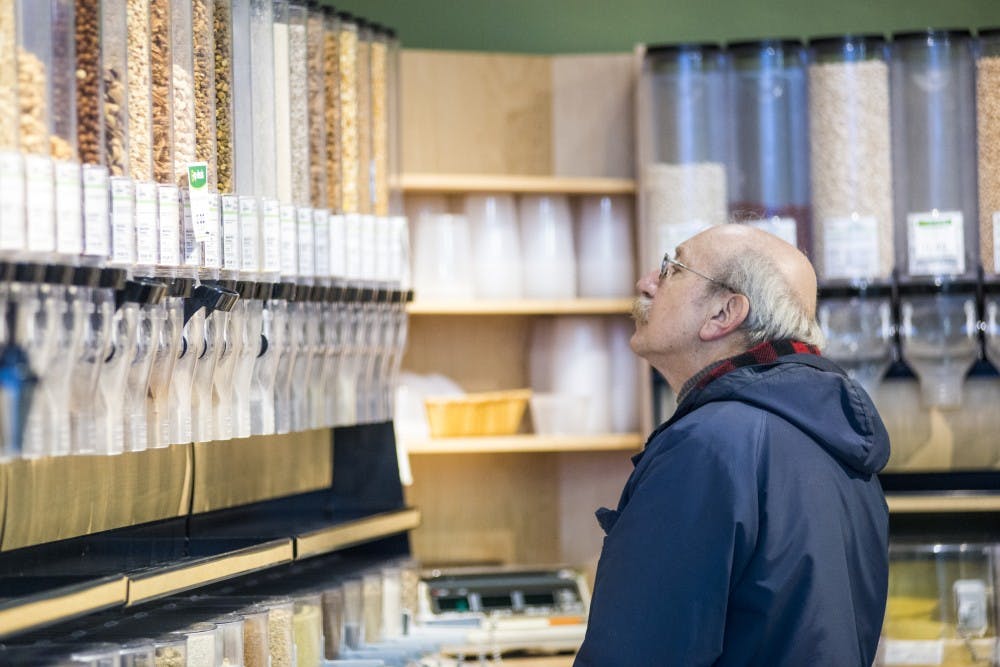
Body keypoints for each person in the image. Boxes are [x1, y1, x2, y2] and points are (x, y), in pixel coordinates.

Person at [574, 224, 890, 666]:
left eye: (672, 268)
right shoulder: (843, 449)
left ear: (724, 313)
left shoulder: (707, 448)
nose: (647, 282)